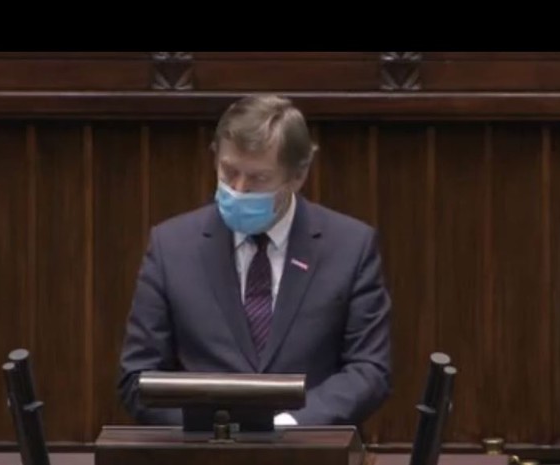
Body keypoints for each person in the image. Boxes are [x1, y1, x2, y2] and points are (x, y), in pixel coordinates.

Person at [118, 95, 392, 426]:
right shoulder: (171, 247)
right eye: (229, 171)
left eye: (258, 178)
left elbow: (369, 370)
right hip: (200, 448)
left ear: (297, 176)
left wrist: (289, 425)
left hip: (309, 445)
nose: (238, 189)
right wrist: (216, 430)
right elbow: (137, 377)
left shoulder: (350, 247)